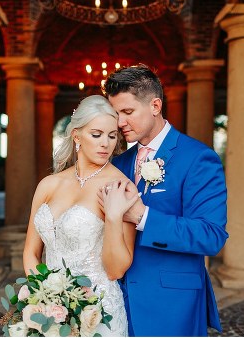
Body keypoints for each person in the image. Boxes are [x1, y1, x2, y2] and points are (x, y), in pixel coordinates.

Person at [100, 64, 229, 336]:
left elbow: (210, 235)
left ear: (155, 105)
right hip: (116, 300)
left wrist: (142, 217)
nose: (120, 122)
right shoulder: (118, 163)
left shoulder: (197, 158)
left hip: (172, 303)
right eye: (115, 114)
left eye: (128, 112)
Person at [23, 95, 137, 336]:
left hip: (99, 313)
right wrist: (44, 299)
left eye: (112, 135)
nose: (105, 144)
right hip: (50, 313)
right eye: (96, 135)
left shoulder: (121, 187)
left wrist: (114, 217)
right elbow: (32, 252)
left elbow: (116, 270)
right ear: (77, 136)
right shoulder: (48, 184)